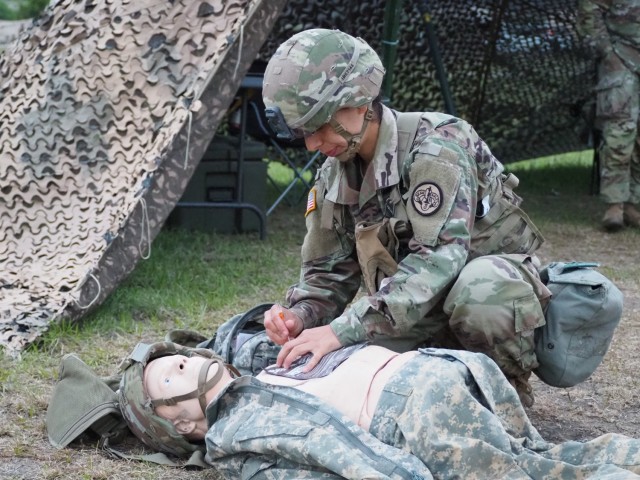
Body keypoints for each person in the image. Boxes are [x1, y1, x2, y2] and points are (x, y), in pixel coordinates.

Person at [260, 28, 550, 406]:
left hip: (485, 299)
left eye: (319, 126)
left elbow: (438, 260)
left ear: (359, 103)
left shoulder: (437, 149)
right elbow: (327, 273)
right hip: (408, 311)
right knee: (334, 369)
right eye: (303, 132)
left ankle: (505, 392)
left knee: (480, 290)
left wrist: (341, 331)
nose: (312, 144)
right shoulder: (335, 172)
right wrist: (300, 316)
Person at [119, 340, 640, 479]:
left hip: (434, 373)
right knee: (541, 463)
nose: (185, 360)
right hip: (420, 408)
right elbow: (330, 450)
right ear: (182, 423)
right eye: (172, 373)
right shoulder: (236, 431)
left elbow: (228, 332)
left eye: (181, 357)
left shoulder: (256, 369)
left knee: (535, 461)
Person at [577, 0, 640, 231]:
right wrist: (607, 53)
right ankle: (615, 204)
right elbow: (589, 10)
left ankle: (634, 204)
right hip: (621, 62)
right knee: (619, 134)